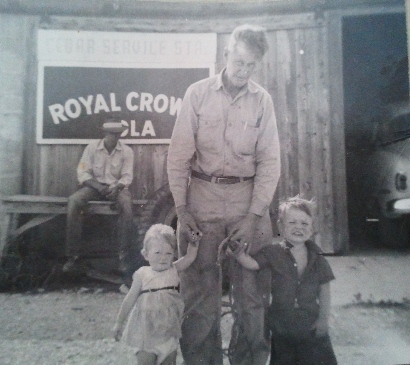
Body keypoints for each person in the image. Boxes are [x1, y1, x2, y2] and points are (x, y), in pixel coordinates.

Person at [167, 24, 281, 365]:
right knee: (200, 297)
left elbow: (270, 162)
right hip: (202, 200)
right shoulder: (197, 94)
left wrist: (253, 217)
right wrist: (182, 210)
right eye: (240, 61)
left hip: (248, 204)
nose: (244, 70)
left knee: (254, 296)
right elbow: (178, 155)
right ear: (227, 54)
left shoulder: (263, 101)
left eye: (252, 65)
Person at [229, 196, 338, 365]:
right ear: (280, 226)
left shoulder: (317, 256)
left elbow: (325, 289)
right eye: (292, 223)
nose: (298, 228)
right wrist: (239, 255)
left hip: (310, 322)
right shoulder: (273, 252)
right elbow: (253, 264)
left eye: (304, 223)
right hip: (282, 324)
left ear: (312, 228)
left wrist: (323, 319)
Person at [113, 224, 199, 365]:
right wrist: (119, 322)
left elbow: (190, 257)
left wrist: (194, 235)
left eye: (168, 253)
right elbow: (129, 300)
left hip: (168, 333)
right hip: (146, 335)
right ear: (146, 254)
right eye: (157, 253)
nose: (163, 258)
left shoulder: (174, 269)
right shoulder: (142, 275)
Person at [63, 118, 135, 282]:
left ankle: (123, 257)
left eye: (117, 134)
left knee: (127, 206)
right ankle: (72, 257)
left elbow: (127, 176)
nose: (114, 137)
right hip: (94, 188)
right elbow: (82, 173)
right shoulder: (91, 148)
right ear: (104, 134)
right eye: (111, 134)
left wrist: (116, 187)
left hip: (117, 188)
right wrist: (97, 186)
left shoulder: (127, 151)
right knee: (74, 201)